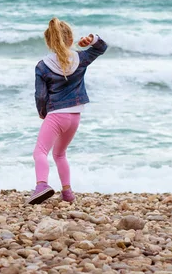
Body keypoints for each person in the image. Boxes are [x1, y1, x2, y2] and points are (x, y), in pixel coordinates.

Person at [28, 17, 107, 205]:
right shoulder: (80, 59)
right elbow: (101, 48)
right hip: (75, 116)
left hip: (56, 114)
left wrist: (42, 112)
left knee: (40, 152)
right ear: (71, 40)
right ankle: (67, 192)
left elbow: (40, 95)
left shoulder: (43, 65)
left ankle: (41, 186)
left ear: (49, 42)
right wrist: (92, 39)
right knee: (60, 154)